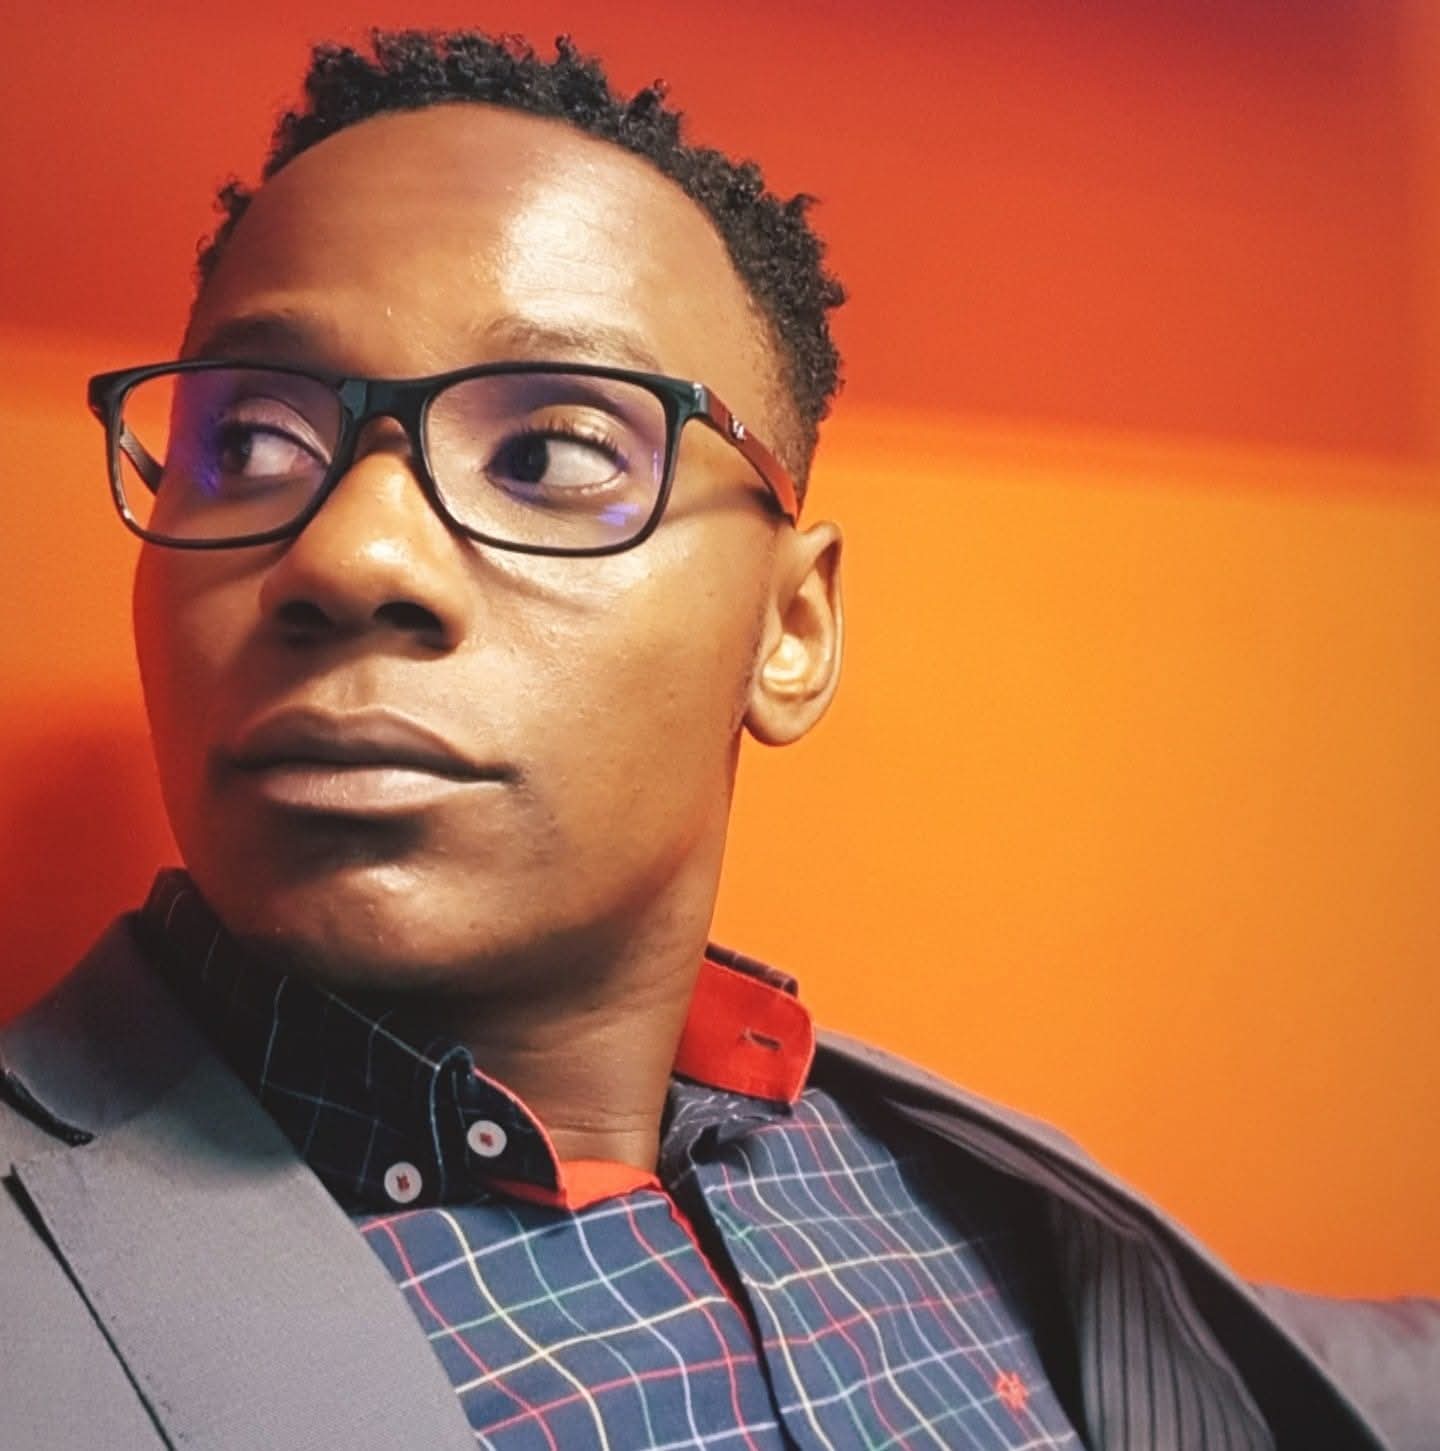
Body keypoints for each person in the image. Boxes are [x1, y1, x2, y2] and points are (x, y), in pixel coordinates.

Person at [0, 28, 1433, 1451]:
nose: (349, 553)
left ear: (789, 630)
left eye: (548, 453)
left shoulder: (973, 1214)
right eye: (250, 441)